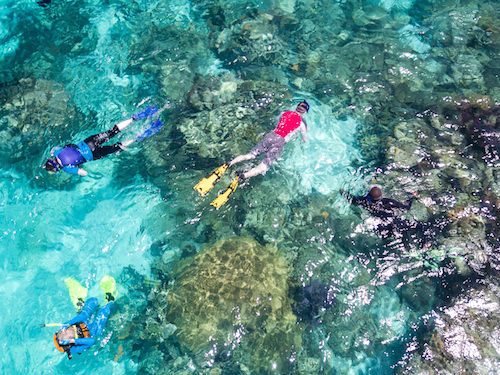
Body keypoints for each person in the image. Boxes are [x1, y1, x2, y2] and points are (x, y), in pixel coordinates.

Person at [194, 100, 310, 208]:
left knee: (250, 155)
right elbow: (304, 139)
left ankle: (229, 163)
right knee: (264, 166)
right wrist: (304, 132)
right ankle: (242, 176)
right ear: (304, 113)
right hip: (280, 141)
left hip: (270, 135)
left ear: (296, 107)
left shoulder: (284, 113)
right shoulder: (301, 124)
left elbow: (277, 121)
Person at [44, 106, 158, 176]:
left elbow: (84, 173)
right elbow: (58, 148)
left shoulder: (67, 168)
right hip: (89, 142)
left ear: (57, 168)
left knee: (117, 147)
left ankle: (138, 137)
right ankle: (135, 118)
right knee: (112, 131)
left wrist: (79, 169)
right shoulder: (56, 152)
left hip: (93, 154)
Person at [53, 276, 117, 359]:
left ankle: (80, 306)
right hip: (92, 332)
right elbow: (91, 341)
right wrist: (73, 341)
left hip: (83, 324)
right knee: (104, 312)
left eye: (70, 327)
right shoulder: (74, 348)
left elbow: (83, 316)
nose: (70, 328)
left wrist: (68, 323)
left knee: (93, 301)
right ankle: (110, 300)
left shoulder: (65, 330)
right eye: (73, 330)